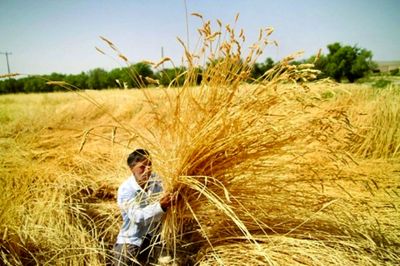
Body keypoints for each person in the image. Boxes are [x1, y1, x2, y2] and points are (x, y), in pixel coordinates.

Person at [112, 149, 174, 266]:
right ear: (132, 169)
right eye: (142, 167)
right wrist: (161, 206)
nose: (148, 170)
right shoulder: (126, 189)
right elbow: (137, 217)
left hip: (154, 239)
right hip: (131, 240)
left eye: (149, 165)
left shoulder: (157, 181)